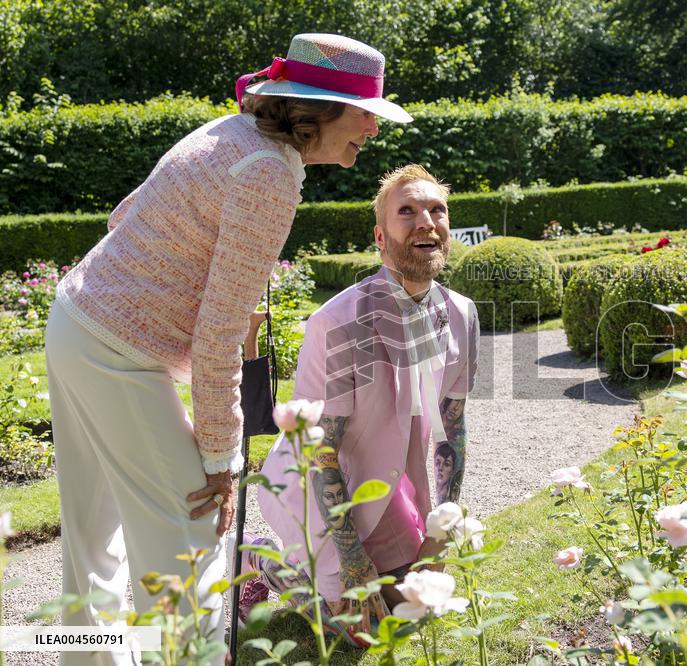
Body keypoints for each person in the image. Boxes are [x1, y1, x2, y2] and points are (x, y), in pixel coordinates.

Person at [44, 33, 411, 665]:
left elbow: (124, 215)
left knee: (91, 544)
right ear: (321, 109)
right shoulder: (270, 172)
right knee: (189, 543)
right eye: (367, 113)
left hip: (75, 321)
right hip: (114, 355)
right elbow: (218, 336)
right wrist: (220, 460)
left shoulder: (231, 133)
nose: (374, 130)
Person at [243, 164, 480, 642]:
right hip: (318, 488)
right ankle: (258, 562)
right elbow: (320, 448)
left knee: (414, 609)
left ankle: (378, 557)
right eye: (407, 211)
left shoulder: (461, 313)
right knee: (360, 633)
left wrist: (440, 529)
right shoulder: (338, 322)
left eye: (437, 210)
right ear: (380, 235)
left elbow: (453, 427)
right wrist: (351, 561)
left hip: (391, 489)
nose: (426, 222)